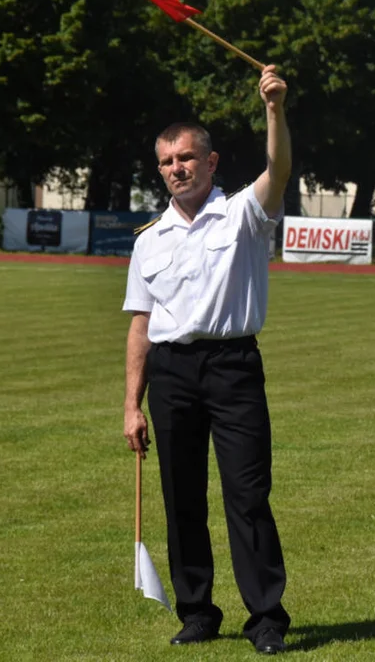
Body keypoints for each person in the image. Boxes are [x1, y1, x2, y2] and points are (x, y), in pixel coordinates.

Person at [121, 66, 292, 655]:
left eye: (188, 158)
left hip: (233, 367)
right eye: (168, 161)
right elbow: (141, 325)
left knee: (247, 495)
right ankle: (197, 611)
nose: (178, 168)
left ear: (212, 163)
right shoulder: (149, 239)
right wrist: (130, 405)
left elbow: (281, 170)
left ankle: (266, 617)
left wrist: (274, 109)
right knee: (182, 497)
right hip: (172, 375)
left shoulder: (244, 213)